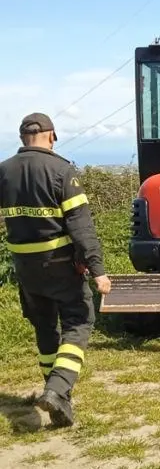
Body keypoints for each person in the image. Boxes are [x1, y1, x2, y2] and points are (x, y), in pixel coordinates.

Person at [0, 113, 112, 429]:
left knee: (44, 328)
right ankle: (58, 388)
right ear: (52, 136)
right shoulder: (62, 170)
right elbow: (81, 227)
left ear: (23, 138)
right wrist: (97, 270)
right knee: (80, 321)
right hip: (61, 265)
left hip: (24, 268)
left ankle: (57, 395)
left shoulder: (4, 171)